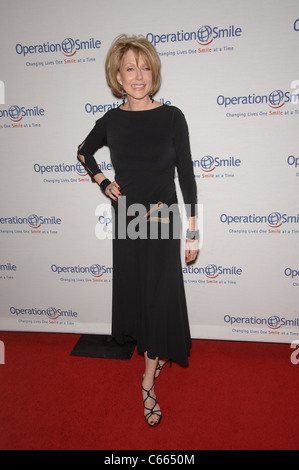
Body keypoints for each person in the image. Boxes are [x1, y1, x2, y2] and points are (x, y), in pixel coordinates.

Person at [77, 34, 199, 427]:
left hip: (163, 220)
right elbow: (83, 150)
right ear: (117, 74)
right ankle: (150, 369)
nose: (139, 75)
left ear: (154, 72)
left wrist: (194, 230)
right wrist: (101, 180)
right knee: (140, 297)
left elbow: (187, 174)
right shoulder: (111, 121)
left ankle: (148, 376)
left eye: (145, 67)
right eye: (130, 68)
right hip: (129, 219)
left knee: (158, 298)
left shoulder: (172, 116)